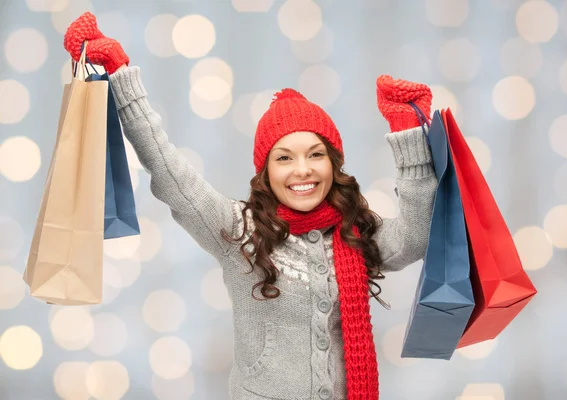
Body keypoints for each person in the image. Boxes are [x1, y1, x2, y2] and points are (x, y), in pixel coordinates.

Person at [64, 12, 437, 400]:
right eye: (284, 158)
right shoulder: (239, 230)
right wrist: (122, 78)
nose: (303, 170)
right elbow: (169, 172)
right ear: (265, 171)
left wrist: (408, 134)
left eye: (315, 155)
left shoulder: (354, 231)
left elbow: (415, 236)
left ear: (333, 163)